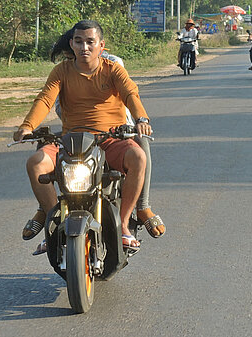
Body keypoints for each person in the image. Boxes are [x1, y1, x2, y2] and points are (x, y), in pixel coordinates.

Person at [14, 20, 156, 254]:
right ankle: (55, 224)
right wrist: (27, 126)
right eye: (79, 42)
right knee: (35, 163)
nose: (84, 47)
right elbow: (46, 99)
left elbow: (131, 93)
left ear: (101, 46)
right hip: (71, 141)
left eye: (90, 42)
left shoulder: (113, 69)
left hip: (109, 140)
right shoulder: (61, 71)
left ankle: (123, 225)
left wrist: (142, 119)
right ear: (71, 44)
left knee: (139, 157)